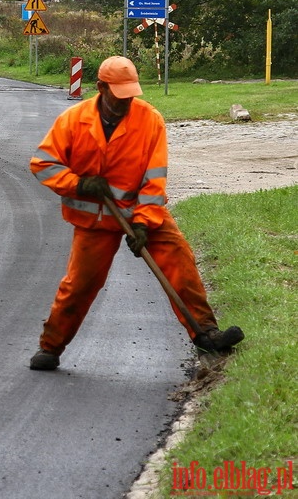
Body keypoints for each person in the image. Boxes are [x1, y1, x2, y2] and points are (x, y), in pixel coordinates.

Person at [27, 55, 244, 371]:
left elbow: (154, 180)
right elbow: (42, 165)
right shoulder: (73, 121)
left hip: (143, 214)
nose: (127, 102)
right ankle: (51, 347)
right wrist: (79, 185)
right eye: (119, 95)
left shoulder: (149, 120)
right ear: (101, 87)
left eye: (131, 95)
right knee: (79, 285)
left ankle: (206, 333)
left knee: (180, 260)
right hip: (95, 221)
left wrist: (143, 224)